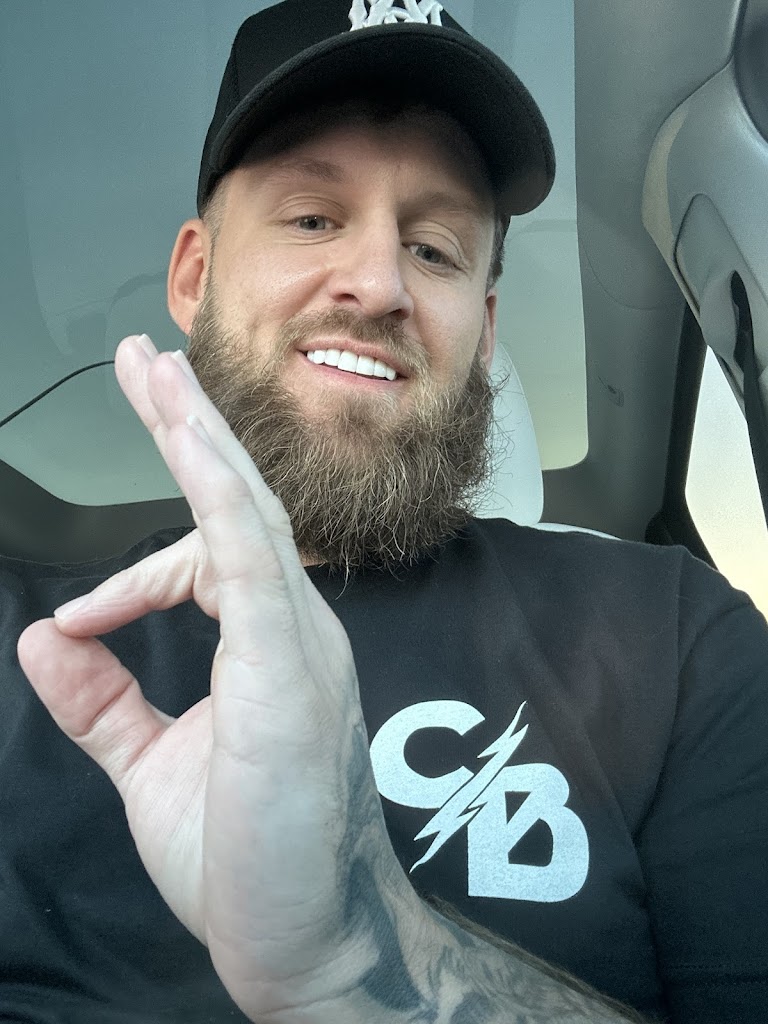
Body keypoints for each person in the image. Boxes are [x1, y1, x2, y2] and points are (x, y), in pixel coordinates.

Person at [3, 1, 767, 1021]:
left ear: (483, 331)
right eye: (312, 218)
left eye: (437, 249)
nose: (377, 284)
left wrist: (347, 953)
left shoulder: (676, 638)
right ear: (194, 277)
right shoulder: (21, 649)